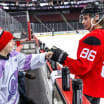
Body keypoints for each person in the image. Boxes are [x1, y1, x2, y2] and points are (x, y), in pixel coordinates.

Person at [50, 1, 104, 104]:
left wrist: (62, 57)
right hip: (97, 89)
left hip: (86, 90)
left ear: (96, 17)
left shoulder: (92, 38)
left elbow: (81, 67)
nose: (83, 22)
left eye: (86, 18)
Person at [0, 29, 53, 104]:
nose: (13, 43)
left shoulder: (13, 55)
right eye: (10, 41)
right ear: (3, 43)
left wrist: (44, 56)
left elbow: (27, 60)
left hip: (17, 99)